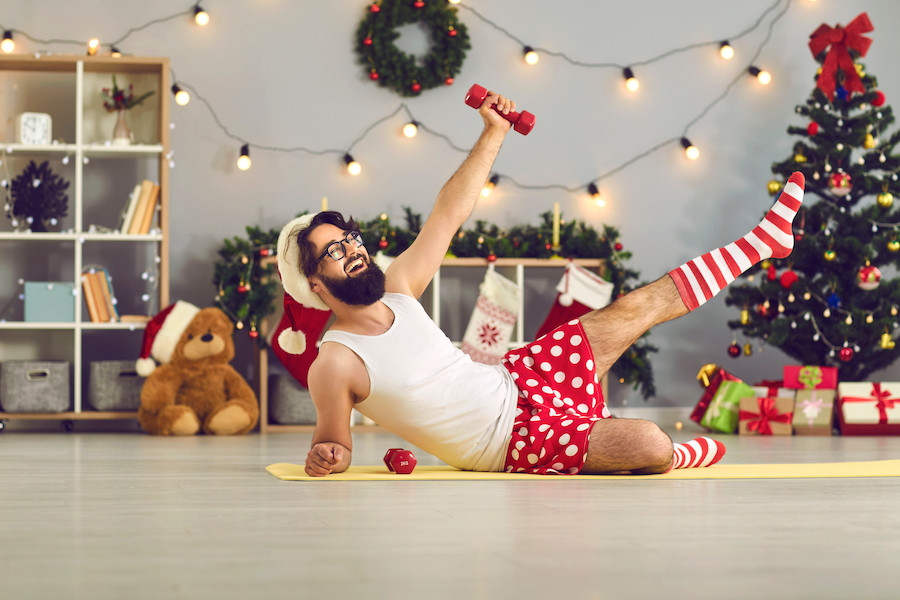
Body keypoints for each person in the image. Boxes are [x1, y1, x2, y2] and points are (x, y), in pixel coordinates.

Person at [275, 89, 806, 477]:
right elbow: (333, 445)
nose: (352, 251)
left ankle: (763, 242)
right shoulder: (335, 361)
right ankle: (675, 452)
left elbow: (446, 215)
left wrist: (493, 133)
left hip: (519, 377)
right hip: (507, 442)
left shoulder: (398, 286)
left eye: (350, 240)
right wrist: (328, 458)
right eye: (334, 252)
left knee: (638, 305)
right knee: (647, 442)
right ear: (314, 283)